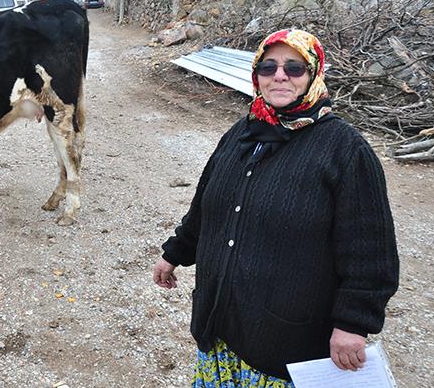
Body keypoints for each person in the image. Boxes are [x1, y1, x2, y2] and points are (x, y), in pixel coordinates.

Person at [152, 28, 399, 387]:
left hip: (285, 348)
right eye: (268, 67)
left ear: (314, 73)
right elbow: (207, 205)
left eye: (294, 68)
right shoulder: (243, 132)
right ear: (256, 75)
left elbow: (371, 253)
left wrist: (353, 324)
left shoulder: (345, 150)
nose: (279, 75)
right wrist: (174, 252)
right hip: (220, 329)